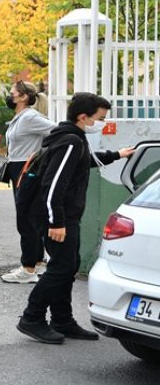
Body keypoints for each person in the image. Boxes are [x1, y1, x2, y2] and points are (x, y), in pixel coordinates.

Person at [16, 92, 134, 344]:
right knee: (61, 268)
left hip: (62, 216)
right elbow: (53, 184)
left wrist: (117, 154)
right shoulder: (71, 142)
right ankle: (32, 318)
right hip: (58, 218)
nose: (102, 122)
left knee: (67, 266)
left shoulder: (72, 139)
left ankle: (62, 320)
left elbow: (82, 163)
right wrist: (56, 222)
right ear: (83, 117)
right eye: (100, 118)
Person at [1, 80, 57, 284]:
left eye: (12, 92)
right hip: (19, 168)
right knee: (32, 217)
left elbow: (58, 130)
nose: (9, 95)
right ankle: (37, 263)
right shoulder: (21, 117)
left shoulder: (29, 117)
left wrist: (40, 154)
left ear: (23, 97)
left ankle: (28, 268)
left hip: (26, 169)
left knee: (25, 219)